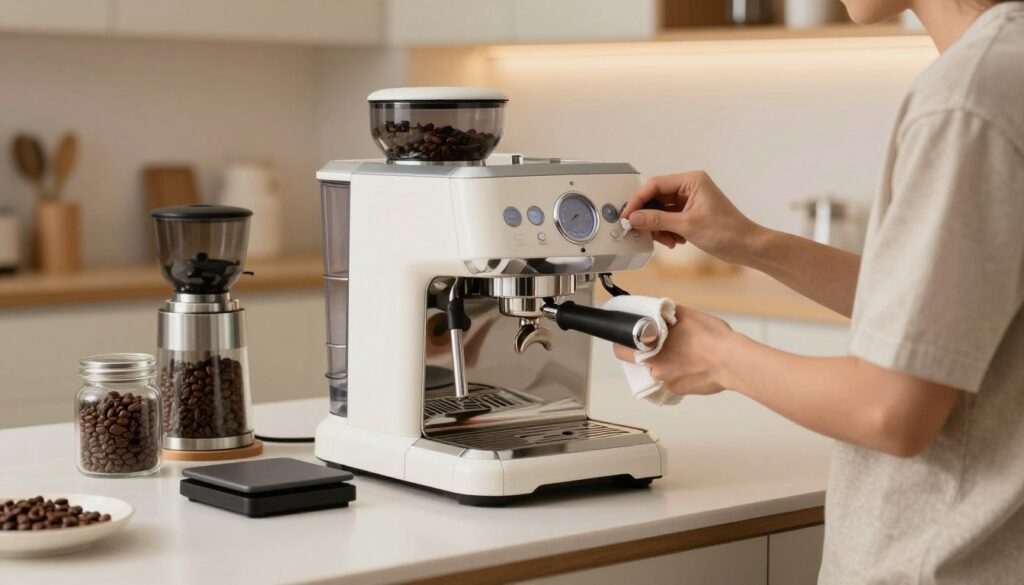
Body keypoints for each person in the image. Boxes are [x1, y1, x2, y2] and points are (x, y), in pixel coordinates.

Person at [614, 0, 1024, 582]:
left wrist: (718, 358)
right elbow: (942, 314)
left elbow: (891, 411)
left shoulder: (967, 100)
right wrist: (750, 242)